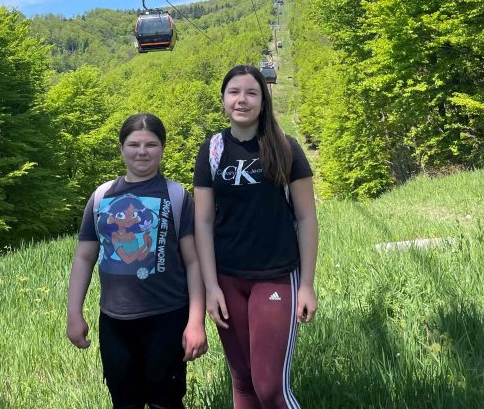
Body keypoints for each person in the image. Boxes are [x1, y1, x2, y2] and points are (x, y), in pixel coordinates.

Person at [193, 65, 319, 409]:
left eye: (251, 93)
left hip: (275, 276)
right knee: (244, 383)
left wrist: (306, 285)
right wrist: (210, 287)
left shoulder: (286, 148)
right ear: (223, 100)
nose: (242, 100)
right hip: (227, 280)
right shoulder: (211, 150)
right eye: (234, 92)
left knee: (270, 388)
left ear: (263, 102)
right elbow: (202, 221)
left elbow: (307, 218)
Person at [67, 113, 207, 409]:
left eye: (150, 144)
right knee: (124, 401)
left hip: (167, 318)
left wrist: (196, 322)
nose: (142, 152)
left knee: (166, 402)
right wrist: (73, 313)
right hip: (114, 322)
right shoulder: (101, 197)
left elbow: (193, 263)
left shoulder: (177, 196)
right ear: (121, 148)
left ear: (163, 148)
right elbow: (84, 258)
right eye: (133, 144)